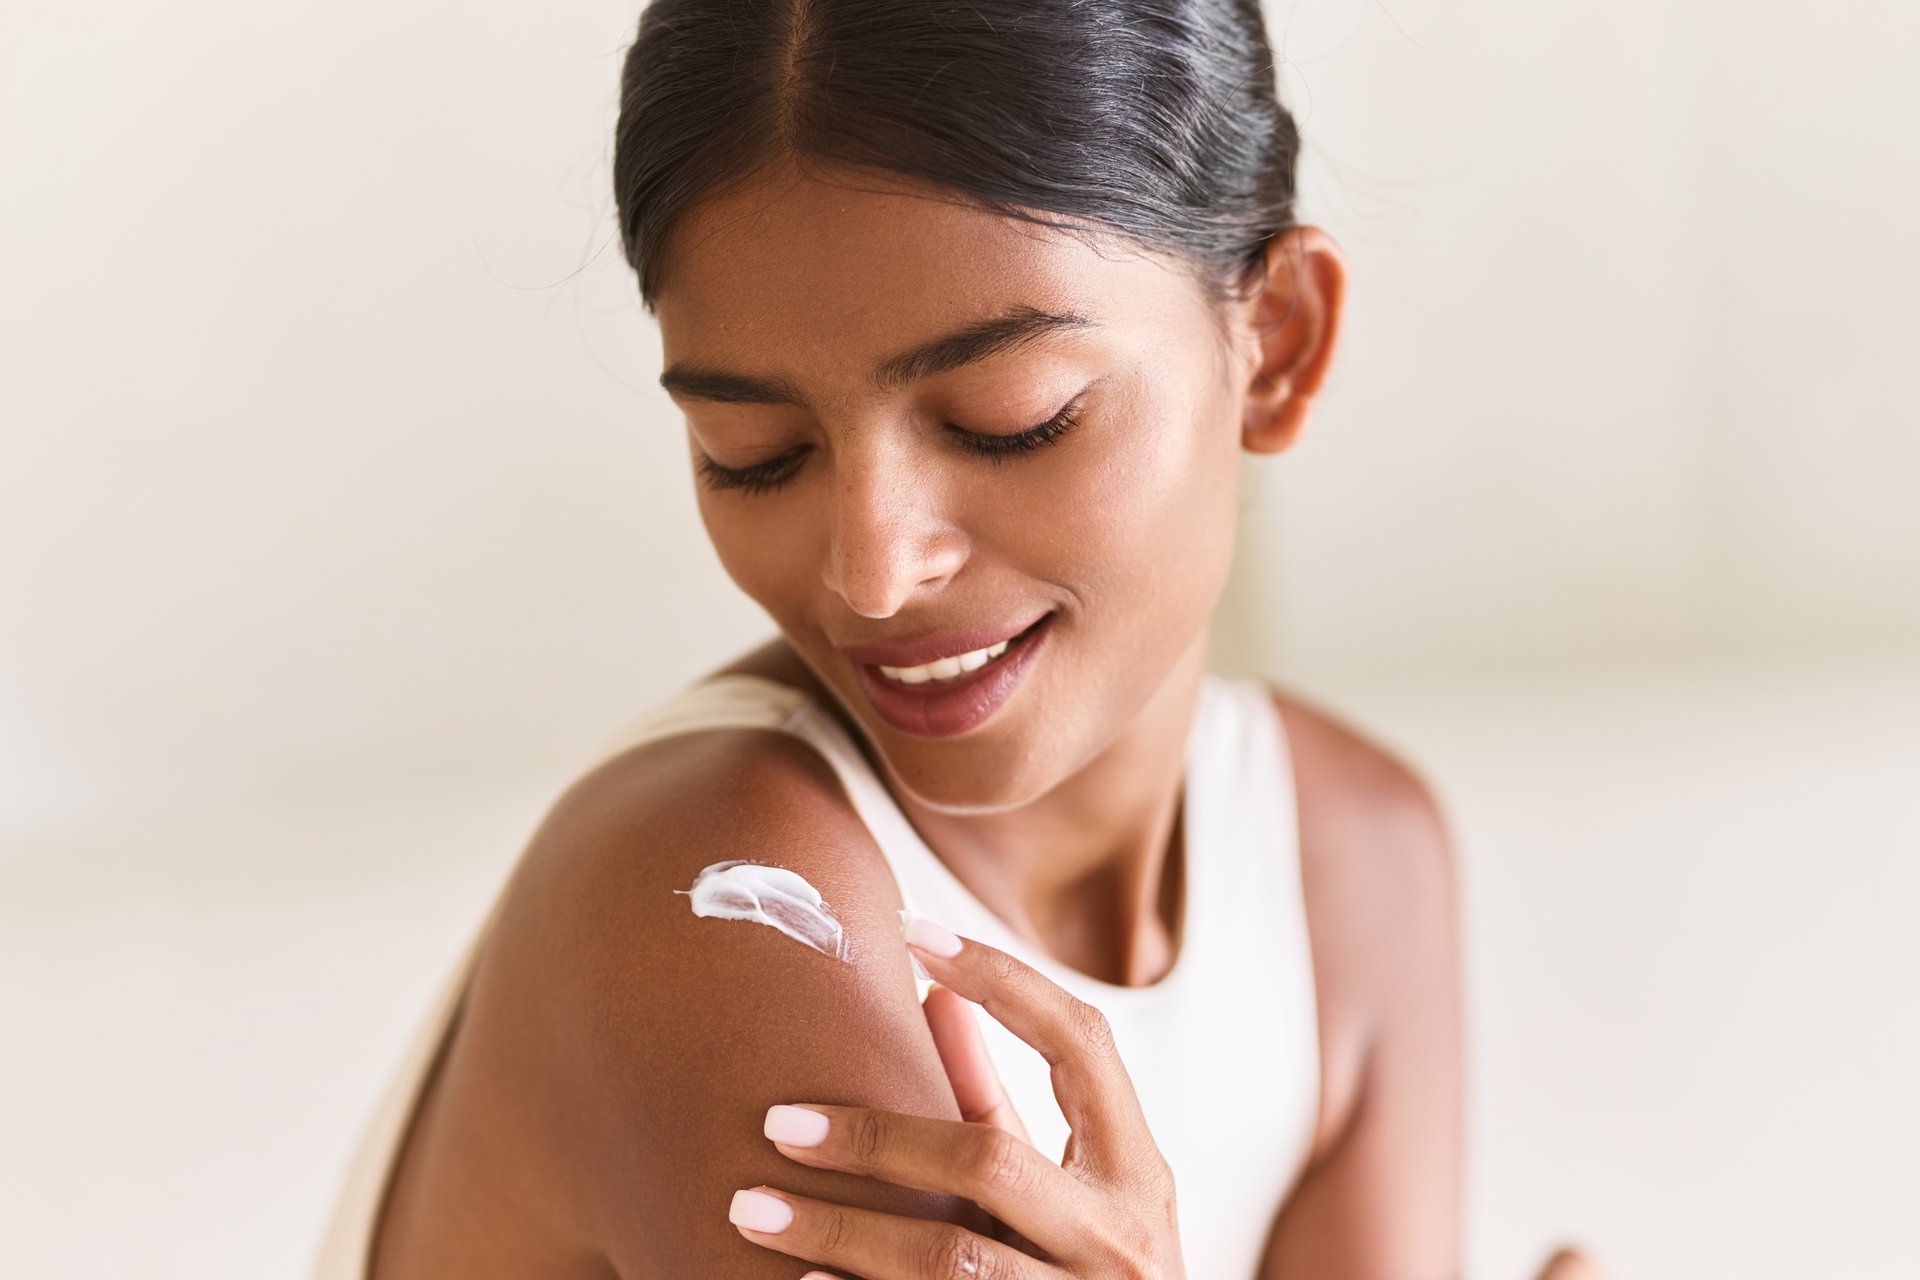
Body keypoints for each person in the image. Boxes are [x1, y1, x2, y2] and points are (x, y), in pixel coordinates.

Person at [312, 0, 1613, 1276]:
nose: (874, 575)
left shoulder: (1353, 864)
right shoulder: (733, 905)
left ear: (1275, 342)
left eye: (1011, 418)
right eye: (754, 453)